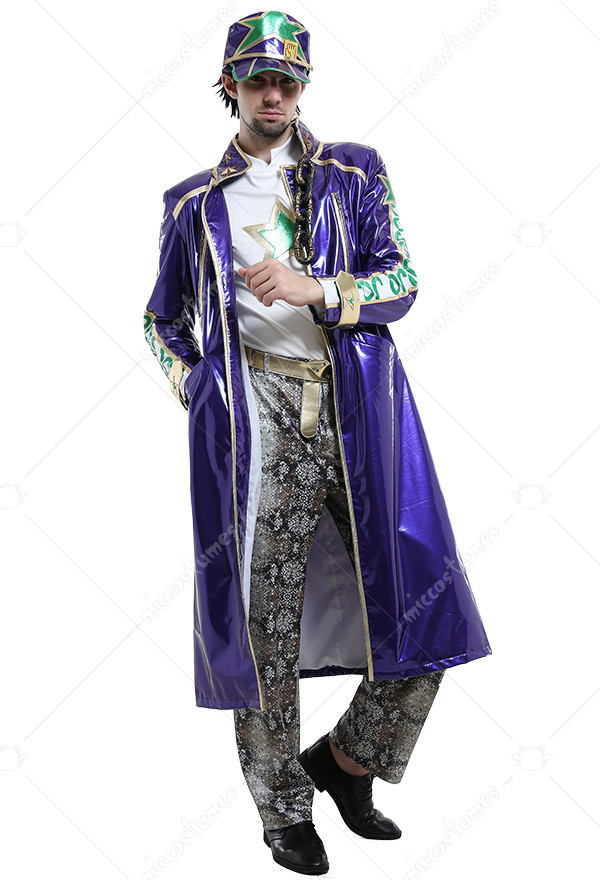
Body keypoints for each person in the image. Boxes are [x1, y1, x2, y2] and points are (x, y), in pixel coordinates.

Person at [144, 10, 492, 876]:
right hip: (254, 415)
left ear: (303, 88)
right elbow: (160, 320)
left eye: (287, 81)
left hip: (356, 407)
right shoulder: (192, 203)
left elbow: (401, 280)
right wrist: (197, 388)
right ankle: (283, 809)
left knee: (424, 603)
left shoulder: (356, 172)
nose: (273, 94)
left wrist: (318, 288)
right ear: (230, 86)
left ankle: (345, 762)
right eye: (257, 80)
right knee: (262, 622)